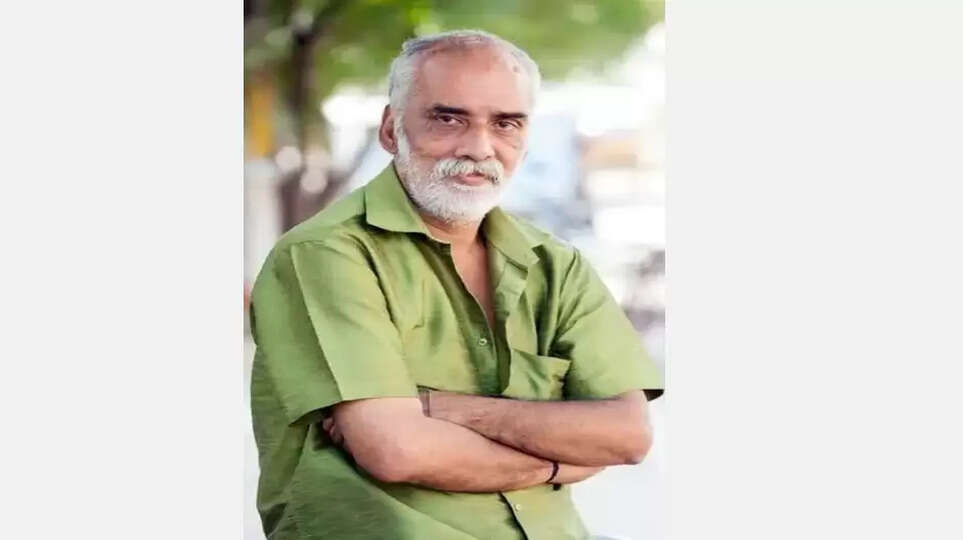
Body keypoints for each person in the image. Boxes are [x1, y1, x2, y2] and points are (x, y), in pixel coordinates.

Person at [249, 29, 664, 540]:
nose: (479, 148)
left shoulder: (556, 265)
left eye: (506, 123)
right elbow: (396, 450)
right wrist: (560, 462)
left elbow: (628, 436)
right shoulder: (326, 254)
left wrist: (449, 409)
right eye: (449, 119)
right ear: (390, 130)